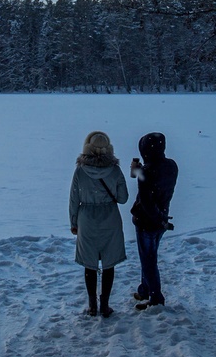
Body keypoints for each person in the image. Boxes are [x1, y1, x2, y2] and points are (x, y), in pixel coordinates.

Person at [69, 130, 128, 317]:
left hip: (86, 219)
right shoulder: (115, 170)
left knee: (90, 264)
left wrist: (73, 222)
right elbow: (123, 198)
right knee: (109, 263)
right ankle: (105, 304)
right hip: (110, 218)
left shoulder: (80, 170)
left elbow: (74, 199)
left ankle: (92, 304)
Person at [129, 132, 178, 310]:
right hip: (162, 219)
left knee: (148, 261)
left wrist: (140, 172)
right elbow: (156, 182)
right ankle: (144, 289)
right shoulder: (171, 165)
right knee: (149, 257)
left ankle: (156, 297)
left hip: (146, 223)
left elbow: (146, 200)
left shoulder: (147, 172)